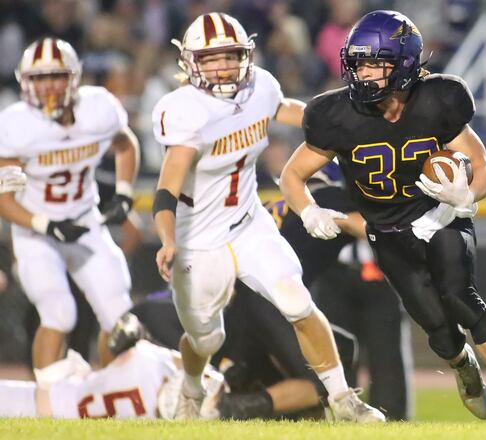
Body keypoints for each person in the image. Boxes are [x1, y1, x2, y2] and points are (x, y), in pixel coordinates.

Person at [279, 10, 486, 426]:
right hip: (387, 231)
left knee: (460, 295)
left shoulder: (438, 99)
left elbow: (483, 165)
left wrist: (465, 195)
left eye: (374, 64)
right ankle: (463, 366)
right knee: (439, 331)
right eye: (358, 63)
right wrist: (308, 209)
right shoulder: (335, 113)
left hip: (440, 217)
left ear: (403, 64)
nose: (363, 73)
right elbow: (292, 175)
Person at [150, 12, 383, 422]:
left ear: (246, 54)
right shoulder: (185, 110)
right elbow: (167, 187)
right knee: (206, 337)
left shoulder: (259, 86)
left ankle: (343, 399)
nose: (222, 66)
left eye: (230, 55)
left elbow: (291, 111)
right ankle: (190, 386)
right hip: (198, 240)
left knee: (296, 300)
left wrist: (348, 122)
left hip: (247, 222)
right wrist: (168, 239)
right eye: (211, 58)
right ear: (190, 63)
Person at [0, 37, 139, 372]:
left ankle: (113, 393)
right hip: (35, 232)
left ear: (74, 77)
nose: (48, 87)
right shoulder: (17, 125)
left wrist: (123, 192)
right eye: (38, 78)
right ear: (25, 82)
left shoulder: (98, 108)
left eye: (56, 76)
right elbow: (3, 198)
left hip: (83, 219)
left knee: (118, 314)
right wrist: (45, 225)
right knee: (59, 312)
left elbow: (125, 145)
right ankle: (48, 401)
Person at [269, 164, 413, 420]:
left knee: (338, 348)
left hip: (251, 294)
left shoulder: (279, 202)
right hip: (277, 298)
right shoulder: (330, 196)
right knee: (334, 352)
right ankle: (255, 407)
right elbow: (364, 226)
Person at [132, 286, 359, 421]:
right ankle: (232, 404)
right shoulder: (156, 318)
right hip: (227, 337)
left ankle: (232, 405)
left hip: (243, 322)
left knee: (326, 381)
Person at [0, 315, 222, 420]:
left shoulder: (148, 364)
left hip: (43, 400)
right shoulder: (151, 421)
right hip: (62, 411)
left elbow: (113, 340)